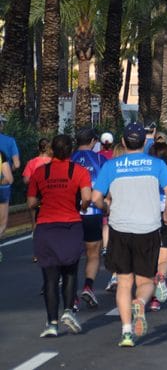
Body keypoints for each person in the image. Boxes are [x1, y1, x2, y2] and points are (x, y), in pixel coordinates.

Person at [92, 123, 167, 347]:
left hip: (119, 229)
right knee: (145, 281)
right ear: (145, 142)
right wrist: (166, 215)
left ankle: (127, 333)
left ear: (122, 141)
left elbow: (95, 197)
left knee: (123, 282)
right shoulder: (157, 164)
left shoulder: (112, 166)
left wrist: (105, 209)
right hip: (147, 229)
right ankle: (140, 301)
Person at [27, 134, 96, 338]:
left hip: (46, 227)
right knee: (70, 271)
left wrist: (43, 201)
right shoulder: (79, 171)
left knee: (49, 277)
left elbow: (31, 203)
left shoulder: (40, 172)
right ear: (70, 150)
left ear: (52, 150)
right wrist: (81, 206)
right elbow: (86, 197)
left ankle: (52, 323)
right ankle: (68, 310)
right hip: (70, 225)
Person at [71, 128, 109, 309]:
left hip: (71, 215)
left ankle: (72, 295)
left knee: (72, 256)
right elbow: (108, 186)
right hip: (93, 213)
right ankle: (88, 286)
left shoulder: (69, 160)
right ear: (94, 141)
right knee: (93, 254)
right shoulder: (100, 159)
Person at [147, 142, 167, 312]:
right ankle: (156, 297)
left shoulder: (146, 175)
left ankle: (149, 291)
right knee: (164, 259)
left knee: (150, 257)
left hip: (148, 216)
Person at [0, 116, 20, 261]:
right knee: (2, 221)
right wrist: (7, 172)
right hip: (3, 185)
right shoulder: (9, 141)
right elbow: (17, 164)